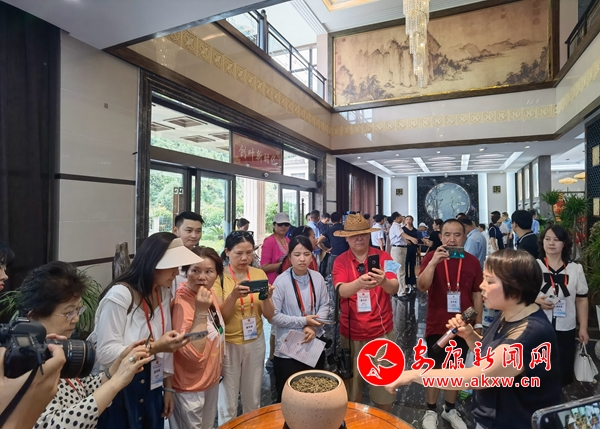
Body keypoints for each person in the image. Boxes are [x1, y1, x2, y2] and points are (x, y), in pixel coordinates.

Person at [387, 249, 561, 429]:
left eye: (490, 281)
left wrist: (415, 374)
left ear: (516, 288)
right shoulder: (509, 314)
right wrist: (470, 336)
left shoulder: (531, 334)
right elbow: (490, 357)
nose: (481, 286)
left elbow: (478, 376)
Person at [17, 261, 153, 429]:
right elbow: (54, 425)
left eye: (78, 310)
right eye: (68, 312)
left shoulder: (55, 347)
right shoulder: (22, 359)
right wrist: (116, 382)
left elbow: (82, 389)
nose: (76, 318)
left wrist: (115, 369)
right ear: (35, 316)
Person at [92, 233, 199, 429]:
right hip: (119, 383)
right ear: (153, 264)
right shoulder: (120, 295)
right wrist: (155, 347)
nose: (176, 272)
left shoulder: (163, 292)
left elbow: (165, 342)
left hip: (152, 381)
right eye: (172, 266)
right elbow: (105, 352)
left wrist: (168, 387)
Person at [416, 219, 483, 429]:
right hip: (437, 323)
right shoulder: (431, 257)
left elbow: (477, 294)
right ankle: (430, 409)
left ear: (464, 237)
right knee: (435, 366)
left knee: (456, 367)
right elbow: (422, 286)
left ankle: (450, 409)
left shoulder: (472, 261)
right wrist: (433, 262)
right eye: (447, 234)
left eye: (457, 235)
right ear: (440, 236)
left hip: (464, 325)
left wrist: (478, 325)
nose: (452, 239)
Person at [332, 214, 399, 412]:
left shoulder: (385, 257)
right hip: (351, 333)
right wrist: (358, 283)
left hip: (382, 332)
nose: (359, 238)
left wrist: (383, 281)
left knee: (384, 391)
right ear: (346, 238)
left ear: (369, 235)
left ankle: (384, 423)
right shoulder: (340, 261)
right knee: (353, 394)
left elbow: (395, 287)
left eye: (363, 234)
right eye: (354, 235)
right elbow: (340, 290)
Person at [215, 231, 275, 424]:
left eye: (249, 253)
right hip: (228, 344)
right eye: (239, 253)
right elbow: (220, 317)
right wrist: (233, 296)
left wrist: (267, 297)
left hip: (255, 342)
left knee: (253, 398)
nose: (244, 258)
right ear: (227, 252)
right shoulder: (219, 277)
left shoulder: (258, 274)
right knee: (228, 402)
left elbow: (269, 315)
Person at [170, 247, 226, 429]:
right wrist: (200, 311)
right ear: (185, 272)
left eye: (209, 271)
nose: (202, 277)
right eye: (195, 270)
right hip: (189, 388)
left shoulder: (207, 294)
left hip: (210, 380)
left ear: (217, 274)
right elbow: (193, 353)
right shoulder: (181, 303)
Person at [270, 235, 330, 402]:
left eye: (306, 254)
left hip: (314, 344)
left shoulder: (317, 277)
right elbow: (274, 316)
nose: (302, 259)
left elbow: (325, 305)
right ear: (289, 257)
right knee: (288, 397)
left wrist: (313, 326)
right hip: (288, 348)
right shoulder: (281, 281)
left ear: (312, 256)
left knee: (315, 395)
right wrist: (304, 321)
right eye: (297, 255)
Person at [535, 224, 589, 386]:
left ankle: (560, 397)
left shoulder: (575, 269)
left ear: (564, 244)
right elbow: (521, 294)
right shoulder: (534, 266)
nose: (551, 243)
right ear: (542, 242)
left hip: (566, 326)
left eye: (556, 240)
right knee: (538, 369)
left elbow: (581, 299)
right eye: (547, 239)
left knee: (562, 369)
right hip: (538, 326)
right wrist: (536, 300)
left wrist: (583, 327)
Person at [171, 211, 205, 298]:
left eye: (198, 231)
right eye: (189, 231)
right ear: (176, 230)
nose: (194, 236)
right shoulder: (167, 255)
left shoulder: (200, 256)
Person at [260, 213, 291, 285]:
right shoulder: (269, 241)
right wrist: (285, 263)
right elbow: (263, 267)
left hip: (287, 281)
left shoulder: (288, 240)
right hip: (273, 283)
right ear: (274, 225)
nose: (283, 227)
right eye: (280, 224)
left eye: (286, 224)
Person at [320, 211, 349, 277]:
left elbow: (319, 242)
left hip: (334, 254)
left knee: (334, 274)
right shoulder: (345, 228)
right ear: (340, 219)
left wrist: (326, 249)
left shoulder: (329, 230)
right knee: (347, 273)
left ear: (331, 220)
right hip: (346, 253)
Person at [388, 212, 408, 289]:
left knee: (396, 270)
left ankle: (396, 289)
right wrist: (411, 238)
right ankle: (401, 292)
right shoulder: (396, 226)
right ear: (397, 218)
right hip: (398, 249)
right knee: (400, 271)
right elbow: (402, 234)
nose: (402, 218)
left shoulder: (396, 226)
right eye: (401, 217)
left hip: (397, 248)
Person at [403, 215, 420, 286]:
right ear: (405, 221)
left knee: (412, 264)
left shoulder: (415, 230)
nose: (408, 221)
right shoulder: (402, 229)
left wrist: (418, 249)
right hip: (405, 248)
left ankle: (413, 280)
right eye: (407, 219)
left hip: (413, 248)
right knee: (405, 264)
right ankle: (405, 280)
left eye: (410, 219)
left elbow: (418, 240)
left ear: (412, 221)